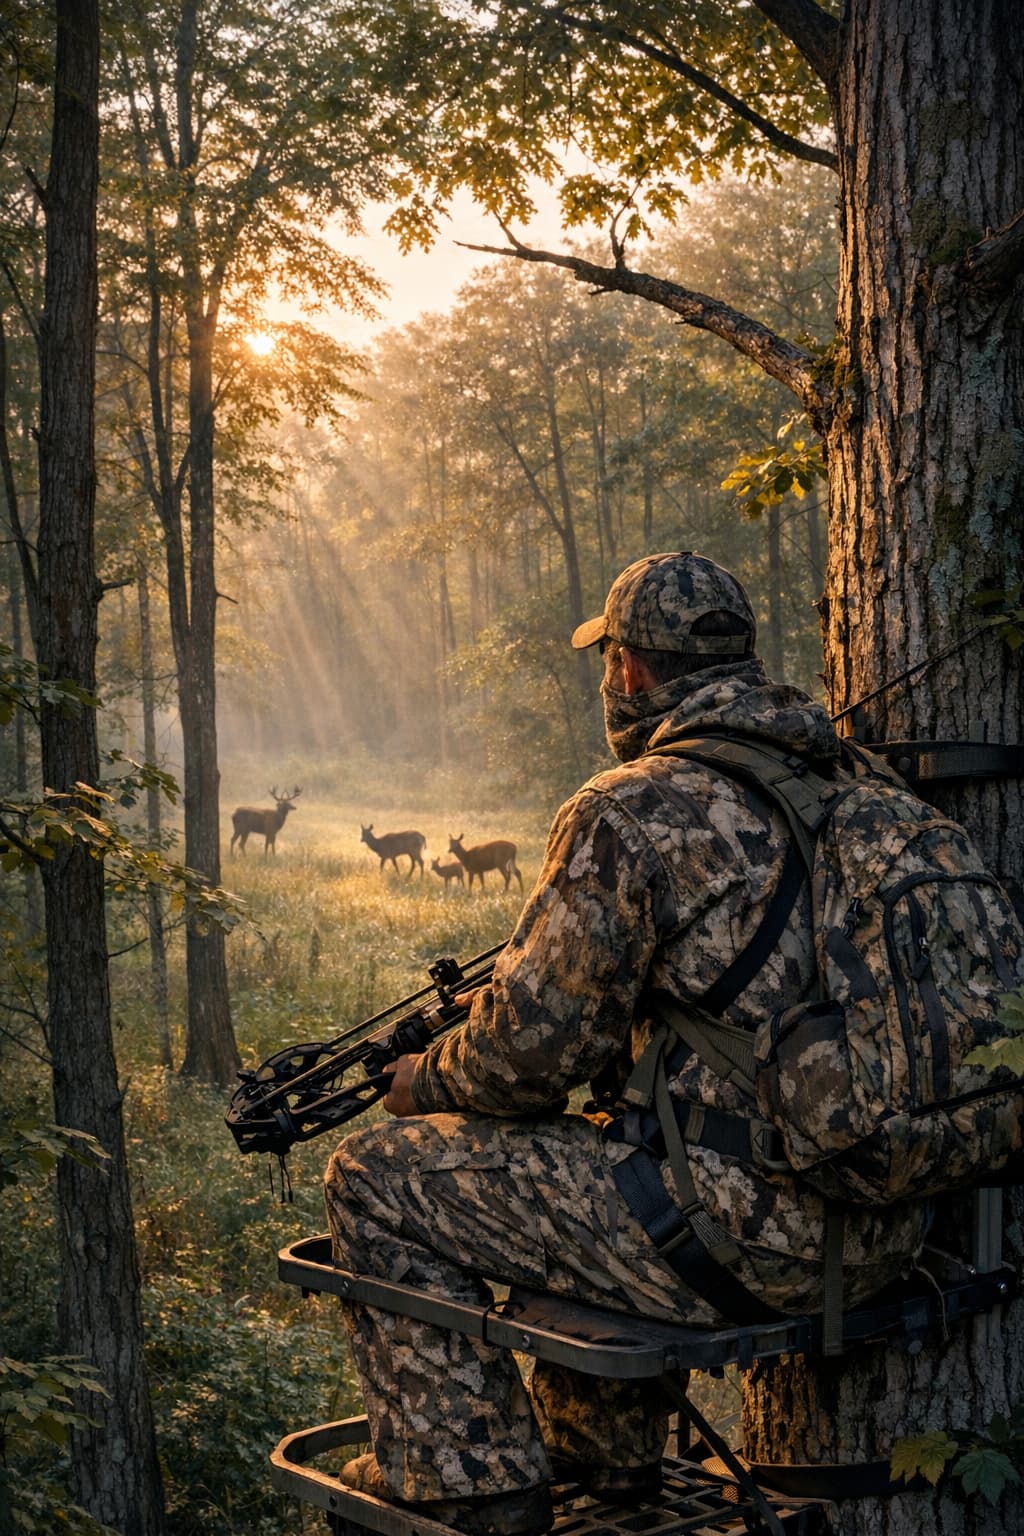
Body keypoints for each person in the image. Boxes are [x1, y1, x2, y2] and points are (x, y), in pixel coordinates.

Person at [323, 552, 928, 1536]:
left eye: (609, 663)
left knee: (372, 1177)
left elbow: (525, 1063)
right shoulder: (863, 789)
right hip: (888, 1232)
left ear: (630, 670)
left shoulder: (628, 806)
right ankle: (599, 1460)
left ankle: (467, 1485)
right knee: (616, 1149)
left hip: (746, 1241)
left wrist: (422, 1077)